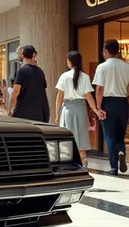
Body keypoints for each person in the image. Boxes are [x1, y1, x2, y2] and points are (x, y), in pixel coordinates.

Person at [55, 51, 105, 168]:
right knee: (81, 136)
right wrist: (97, 111)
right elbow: (89, 97)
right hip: (81, 109)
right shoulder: (85, 77)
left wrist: (57, 114)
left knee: (67, 136)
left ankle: (68, 163)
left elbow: (59, 97)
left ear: (70, 62)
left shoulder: (64, 76)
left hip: (67, 109)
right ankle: (83, 162)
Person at [93, 39, 129, 174]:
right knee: (120, 134)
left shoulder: (102, 67)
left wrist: (98, 107)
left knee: (109, 135)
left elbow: (99, 89)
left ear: (106, 51)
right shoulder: (127, 66)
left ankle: (114, 166)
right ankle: (121, 152)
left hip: (108, 103)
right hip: (122, 103)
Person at [9, 45, 49, 122]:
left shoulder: (21, 71)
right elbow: (43, 93)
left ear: (22, 55)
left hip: (23, 113)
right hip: (39, 114)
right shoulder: (40, 72)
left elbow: (15, 92)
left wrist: (10, 109)